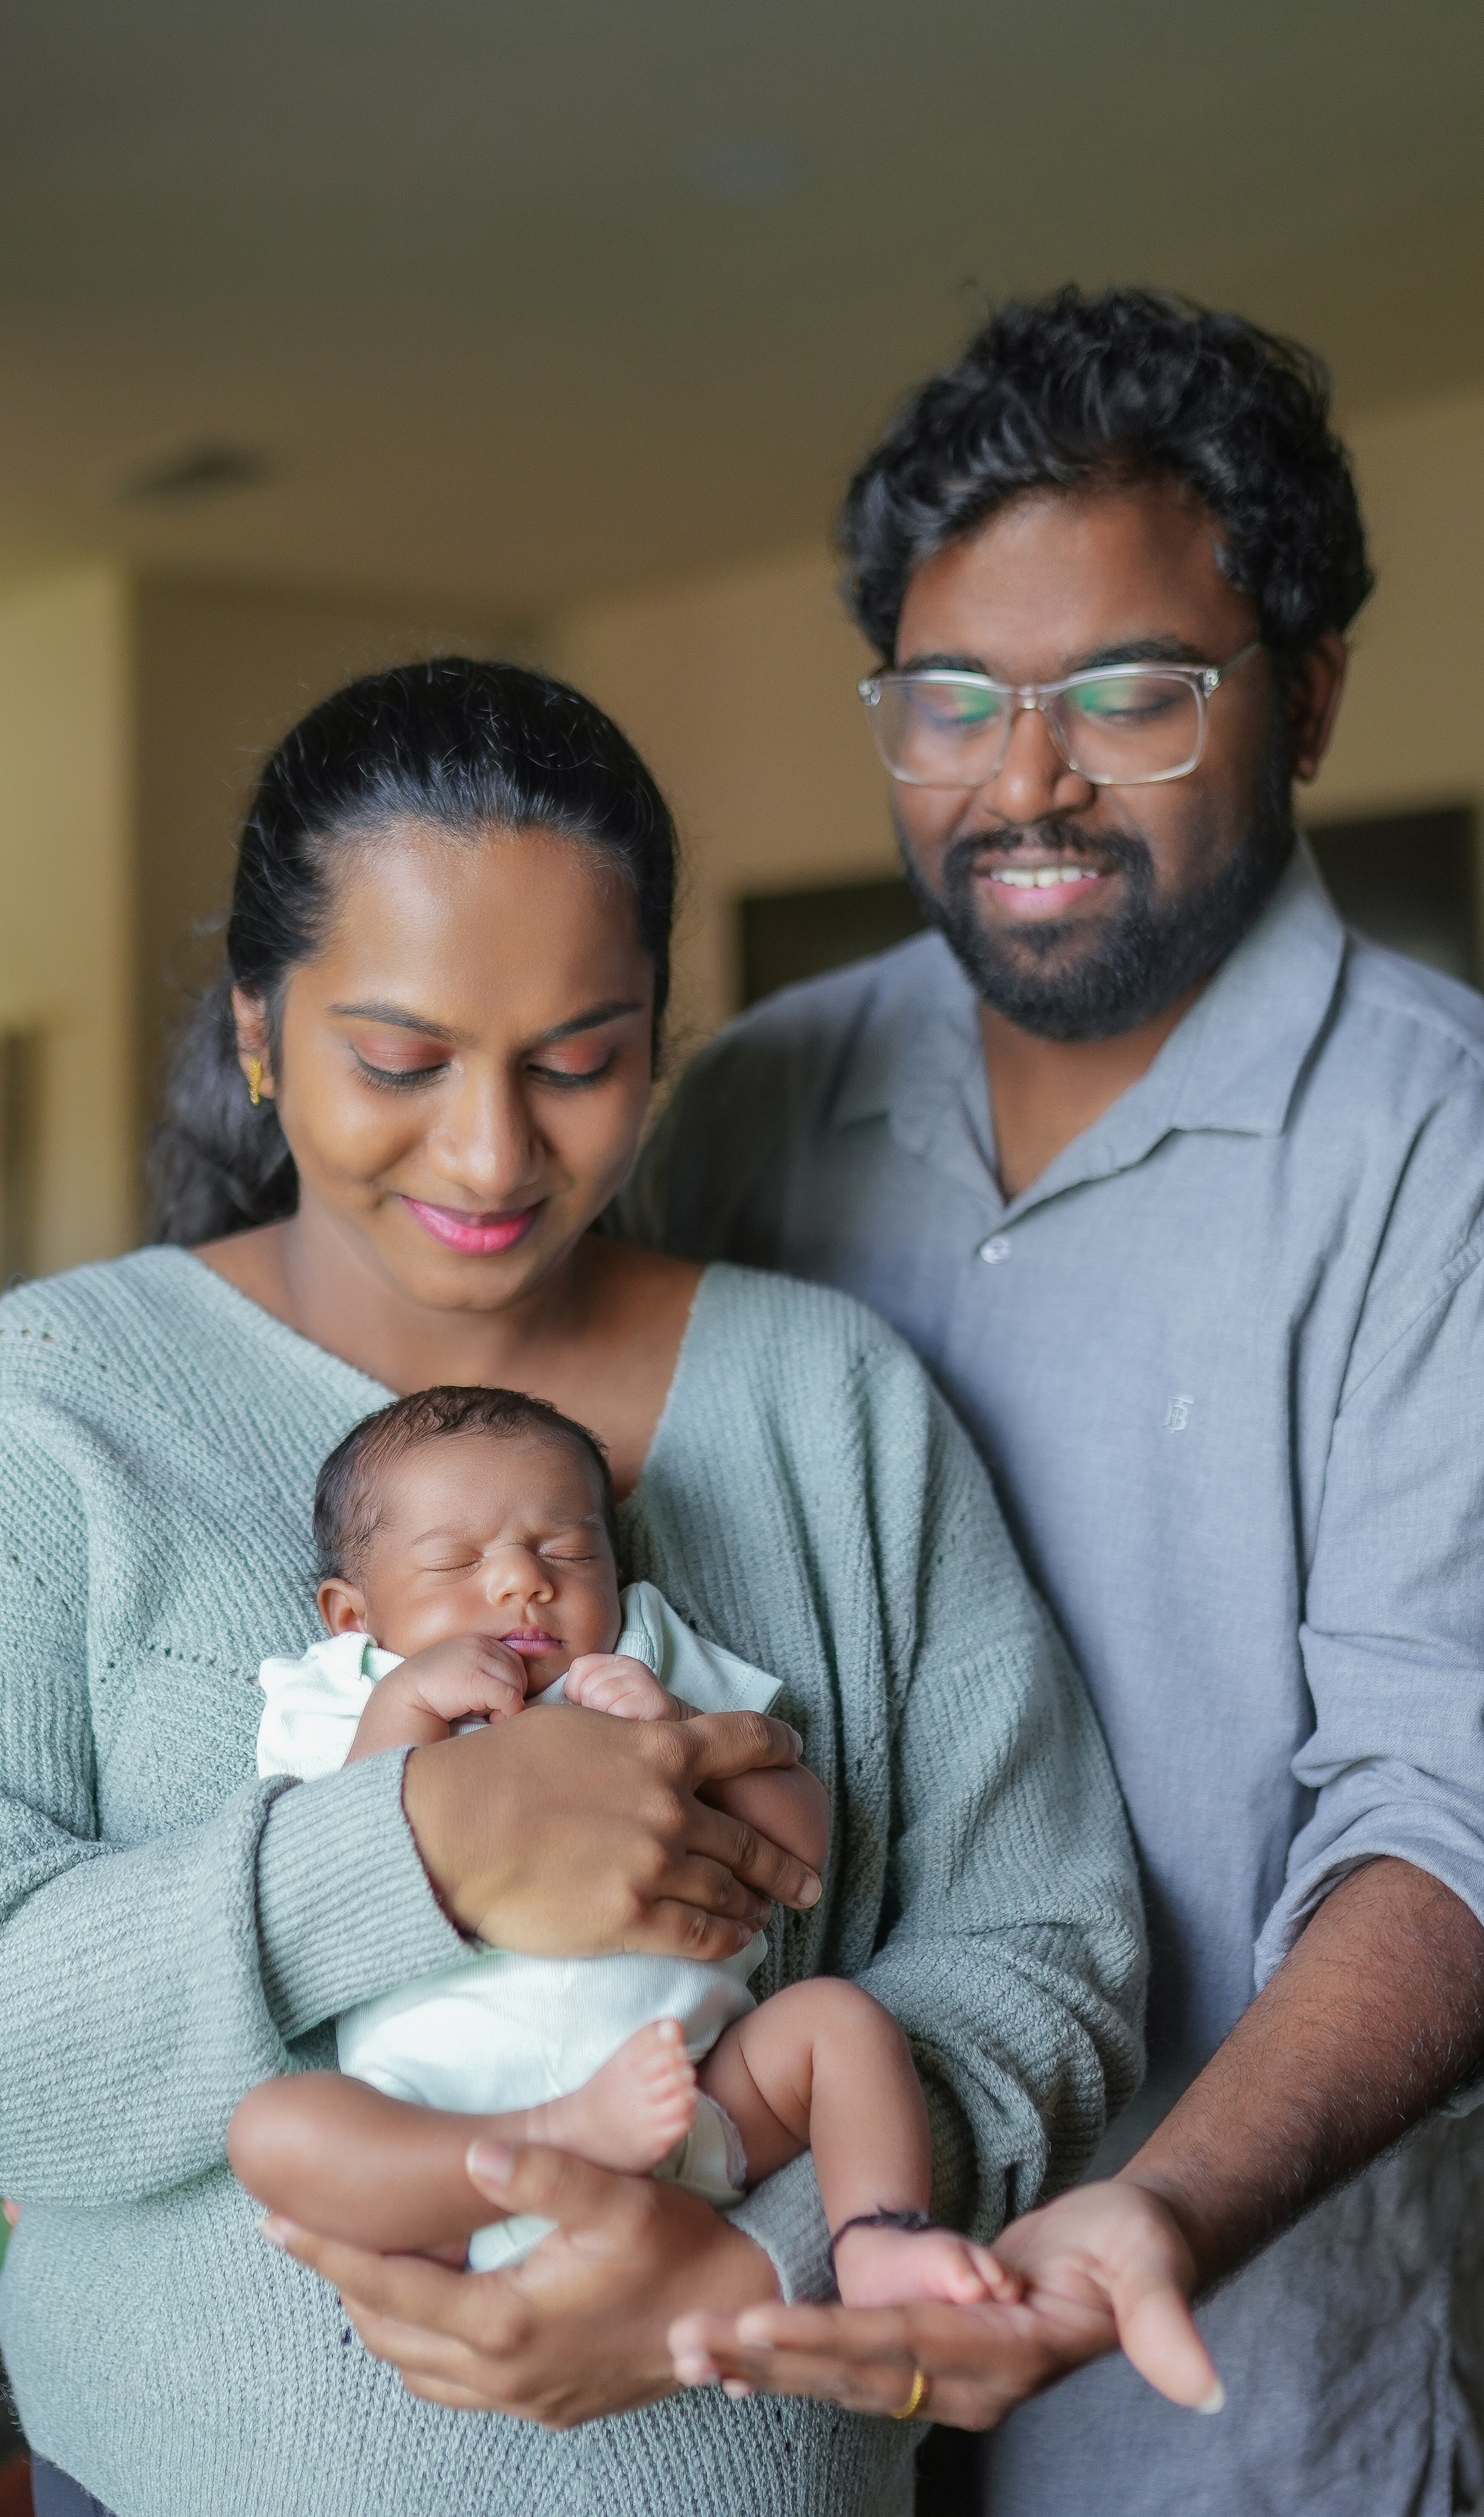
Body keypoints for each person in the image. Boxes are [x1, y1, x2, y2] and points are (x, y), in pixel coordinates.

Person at [0, 658, 1142, 2517]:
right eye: (402, 1060)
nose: (494, 1154)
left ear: (658, 1042)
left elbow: (1047, 1948)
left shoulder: (831, 1399)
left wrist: (754, 2261)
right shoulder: (58, 1409)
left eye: (580, 1060)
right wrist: (408, 1855)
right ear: (263, 1035)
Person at [626, 288, 1484, 2513]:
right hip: (758, 2369)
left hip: (1230, 2386)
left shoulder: (1438, 1156)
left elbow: (1454, 1803)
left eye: (1130, 694)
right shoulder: (746, 1108)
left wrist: (1167, 2214)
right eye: (951, 699)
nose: (1026, 781)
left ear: (1305, 699)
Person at [229, 1384, 1018, 2314]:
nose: (525, 1579)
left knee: (840, 2023)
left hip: (692, 2100)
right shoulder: (342, 1690)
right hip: (443, 2123)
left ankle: (881, 2239)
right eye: (456, 1560)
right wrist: (406, 1707)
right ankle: (562, 2131)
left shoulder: (647, 1656)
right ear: (354, 1617)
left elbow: (801, 1850)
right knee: (274, 2129)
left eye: (567, 1551)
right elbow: (338, 1873)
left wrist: (683, 1727)